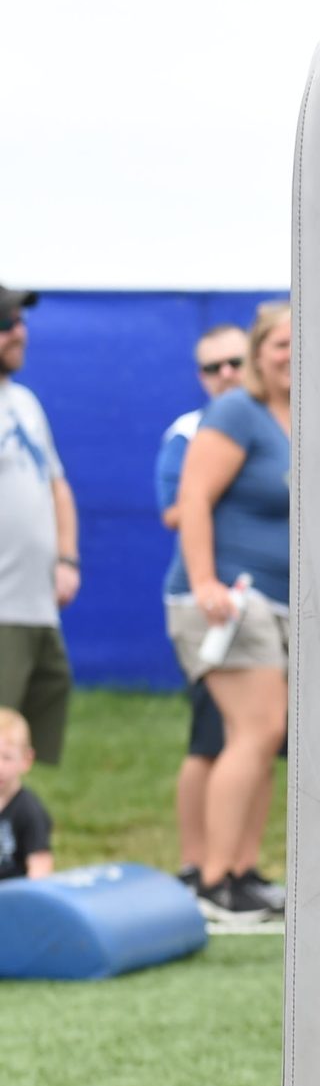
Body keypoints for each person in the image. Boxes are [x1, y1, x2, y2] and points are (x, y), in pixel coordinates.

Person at [170, 301, 292, 925]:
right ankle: (215, 883)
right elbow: (191, 496)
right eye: (280, 345)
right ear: (257, 354)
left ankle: (244, 872)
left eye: (303, 342)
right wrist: (204, 582)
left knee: (267, 738)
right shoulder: (236, 411)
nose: (293, 355)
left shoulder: (298, 418)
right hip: (229, 601)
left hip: (281, 603)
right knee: (255, 731)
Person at [156, 323, 253, 895]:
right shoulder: (191, 431)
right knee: (211, 736)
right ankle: (200, 867)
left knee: (254, 738)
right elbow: (175, 508)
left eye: (235, 362)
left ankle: (240, 866)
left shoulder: (272, 419)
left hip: (258, 599)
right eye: (213, 367)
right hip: (210, 600)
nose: (227, 375)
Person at [0, 284, 79, 768]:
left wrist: (67, 559)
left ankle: (16, 839)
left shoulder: (24, 401)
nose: (19, 333)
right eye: (7, 324)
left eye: (21, 323)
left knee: (21, 745)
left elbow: (57, 486)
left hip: (36, 606)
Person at [0, 707, 55, 881]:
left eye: (7, 757)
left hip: (11, 901)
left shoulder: (29, 811)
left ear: (26, 760)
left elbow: (40, 867)